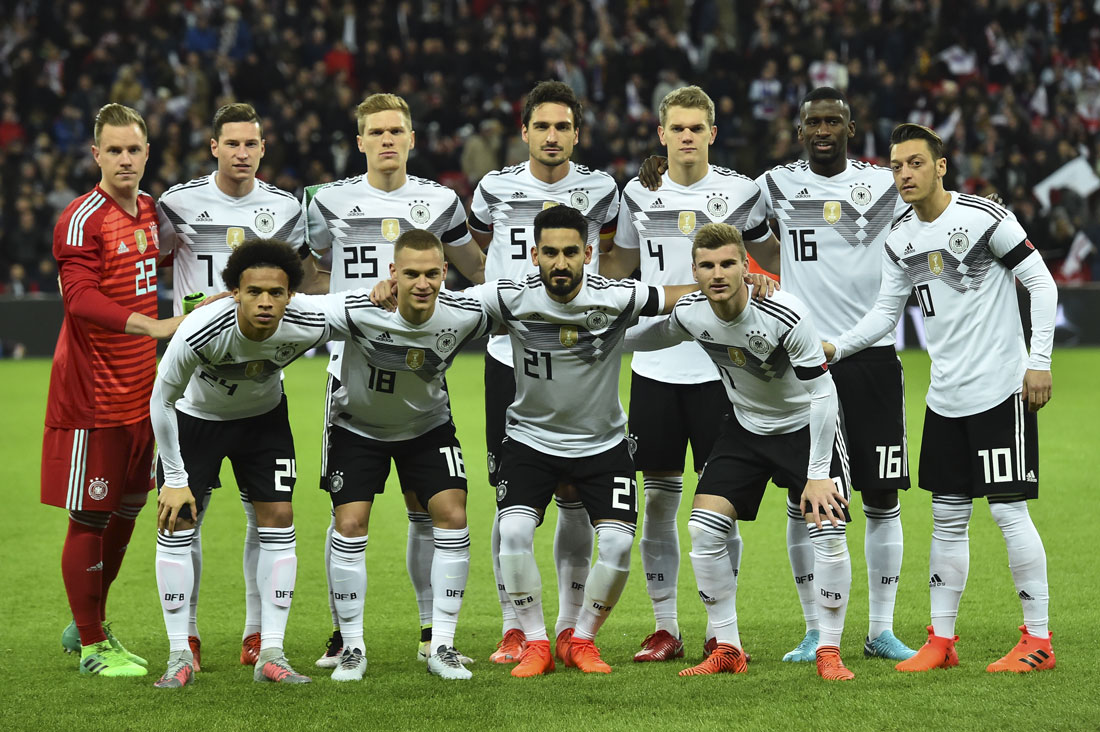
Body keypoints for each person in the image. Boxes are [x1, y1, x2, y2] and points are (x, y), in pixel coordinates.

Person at [636, 86, 916, 663]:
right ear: (798, 131)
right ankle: (816, 629)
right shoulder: (772, 185)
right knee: (805, 503)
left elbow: (931, 201)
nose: (822, 130)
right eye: (812, 121)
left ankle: (881, 629)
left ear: (850, 126)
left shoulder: (887, 184)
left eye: (832, 121)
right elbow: (726, 217)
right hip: (798, 356)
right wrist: (662, 169)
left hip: (871, 357)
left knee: (882, 498)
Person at [825, 123, 1057, 673]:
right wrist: (835, 347)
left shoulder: (984, 218)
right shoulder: (900, 237)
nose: (905, 173)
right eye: (897, 166)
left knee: (1008, 514)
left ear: (940, 166)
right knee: (947, 518)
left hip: (1001, 391)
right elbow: (885, 314)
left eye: (915, 163)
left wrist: (1038, 362)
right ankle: (941, 640)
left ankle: (1039, 640)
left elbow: (1042, 284)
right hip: (945, 399)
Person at [470, 205, 700, 678]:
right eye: (550, 252)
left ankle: (582, 639)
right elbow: (441, 303)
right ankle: (535, 643)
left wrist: (729, 284)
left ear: (588, 254)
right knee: (512, 532)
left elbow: (674, 296)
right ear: (534, 254)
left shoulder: (615, 295)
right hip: (530, 440)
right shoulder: (510, 298)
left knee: (616, 545)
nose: (560, 262)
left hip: (603, 444)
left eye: (570, 252)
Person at [626, 222, 857, 681]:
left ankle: (829, 650)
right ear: (694, 270)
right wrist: (595, 331)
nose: (718, 273)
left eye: (728, 263)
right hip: (746, 428)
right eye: (707, 265)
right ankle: (727, 646)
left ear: (744, 266)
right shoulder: (692, 312)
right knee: (703, 528)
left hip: (805, 427)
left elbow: (823, 394)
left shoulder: (784, 313)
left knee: (827, 530)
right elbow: (651, 338)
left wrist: (816, 474)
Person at [305, 92, 485, 667]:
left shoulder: (440, 201)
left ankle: (434, 632)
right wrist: (358, 306)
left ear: (412, 138)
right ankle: (344, 635)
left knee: (426, 508)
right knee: (348, 514)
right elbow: (313, 281)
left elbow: (475, 270)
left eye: (396, 131)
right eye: (376, 132)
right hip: (351, 375)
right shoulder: (327, 202)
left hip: (420, 374)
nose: (387, 140)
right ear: (359, 142)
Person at [601, 85, 773, 662]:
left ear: (712, 133)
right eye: (677, 128)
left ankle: (720, 629)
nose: (687, 137)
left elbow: (770, 262)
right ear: (661, 134)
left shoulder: (741, 192)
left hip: (721, 368)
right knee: (658, 503)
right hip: (654, 365)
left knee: (720, 502)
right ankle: (666, 627)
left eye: (697, 128)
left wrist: (766, 284)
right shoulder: (637, 191)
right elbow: (622, 265)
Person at [155, 102, 314, 671]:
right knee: (181, 517)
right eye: (233, 143)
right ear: (214, 146)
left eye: (252, 144)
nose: (242, 153)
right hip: (196, 385)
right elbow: (146, 262)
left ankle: (260, 639)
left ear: (262, 149)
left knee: (270, 517)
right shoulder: (175, 203)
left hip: (261, 391)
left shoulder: (285, 209)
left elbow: (295, 282)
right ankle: (187, 640)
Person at [467, 80, 621, 664]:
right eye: (542, 127)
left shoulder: (602, 188)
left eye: (563, 127)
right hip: (511, 358)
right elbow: (482, 251)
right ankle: (514, 625)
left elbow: (614, 251)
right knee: (510, 499)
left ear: (576, 134)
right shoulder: (494, 188)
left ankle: (566, 625)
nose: (552, 137)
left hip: (581, 358)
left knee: (577, 495)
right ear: (525, 131)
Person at [310, 229, 495, 681]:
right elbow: (290, 308)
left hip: (426, 428)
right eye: (411, 273)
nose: (423, 283)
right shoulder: (359, 309)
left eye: (432, 273)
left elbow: (520, 303)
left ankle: (441, 644)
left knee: (451, 513)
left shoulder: (463, 313)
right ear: (392, 273)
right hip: (356, 427)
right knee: (350, 523)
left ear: (445, 272)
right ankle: (350, 645)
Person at [42, 103, 184, 677]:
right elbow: (78, 298)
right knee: (90, 517)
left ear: (148, 153)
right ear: (96, 154)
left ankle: (88, 624)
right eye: (114, 150)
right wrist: (153, 326)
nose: (125, 159)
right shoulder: (81, 219)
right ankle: (96, 648)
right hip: (91, 396)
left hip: (142, 395)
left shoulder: (152, 211)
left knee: (128, 509)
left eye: (135, 149)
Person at [151, 239, 329, 688]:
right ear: (234, 292)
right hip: (195, 420)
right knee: (177, 521)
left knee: (279, 517)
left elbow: (357, 307)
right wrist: (174, 478)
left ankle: (270, 649)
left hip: (263, 423)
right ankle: (180, 651)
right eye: (254, 292)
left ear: (292, 296)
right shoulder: (201, 328)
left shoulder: (308, 318)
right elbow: (161, 399)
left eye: (276, 293)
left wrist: (382, 292)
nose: (265, 302)